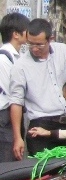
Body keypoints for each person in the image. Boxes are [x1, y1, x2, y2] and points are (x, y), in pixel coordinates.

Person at [8, 18, 66, 158]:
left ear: (51, 39)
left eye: (39, 45)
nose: (34, 48)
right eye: (30, 44)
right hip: (40, 125)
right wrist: (18, 137)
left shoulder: (63, 51)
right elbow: (16, 102)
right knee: (43, 169)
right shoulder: (20, 66)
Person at [0, 11, 29, 162]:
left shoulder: (17, 57)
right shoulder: (3, 59)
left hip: (12, 115)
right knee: (8, 162)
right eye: (27, 30)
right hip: (5, 116)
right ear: (16, 34)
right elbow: (13, 94)